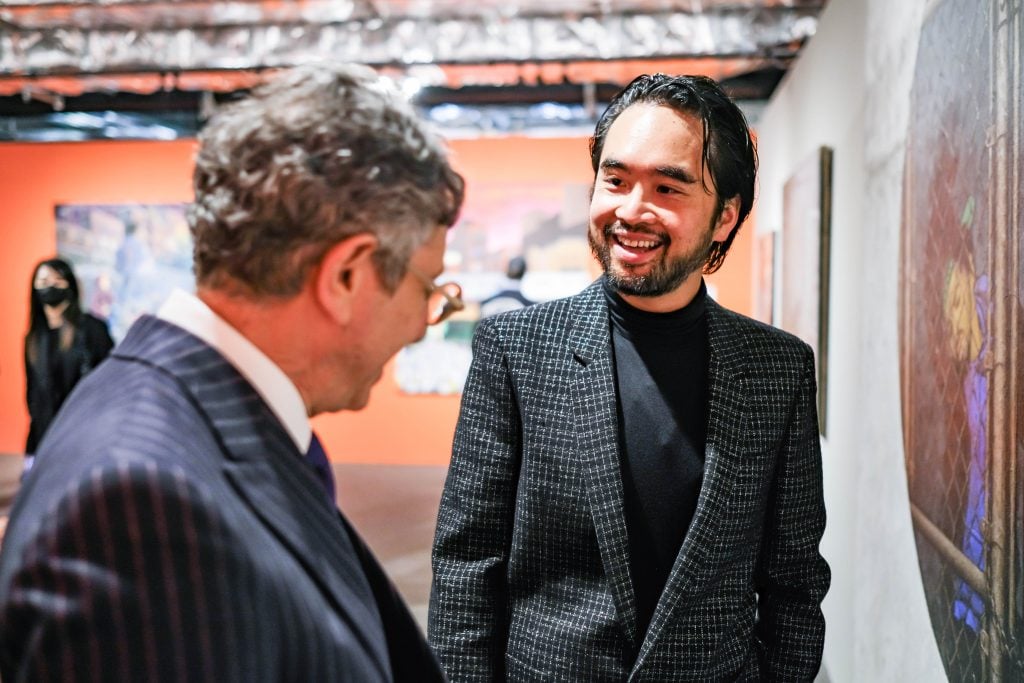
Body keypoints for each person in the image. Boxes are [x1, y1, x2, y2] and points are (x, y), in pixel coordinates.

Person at [0, 63, 465, 682]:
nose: (420, 323)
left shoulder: (187, 416)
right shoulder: (139, 506)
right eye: (428, 287)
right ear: (346, 276)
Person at [430, 74, 830, 681]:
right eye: (615, 180)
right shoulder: (517, 350)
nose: (630, 210)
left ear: (724, 217)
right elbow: (466, 564)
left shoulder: (778, 369)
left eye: (668, 187)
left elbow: (795, 581)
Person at [23, 257, 114, 459]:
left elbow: (110, 382)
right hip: (45, 439)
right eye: (43, 281)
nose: (50, 286)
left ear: (69, 284)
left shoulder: (93, 329)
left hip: (85, 437)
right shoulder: (34, 339)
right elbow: (33, 393)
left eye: (57, 280)